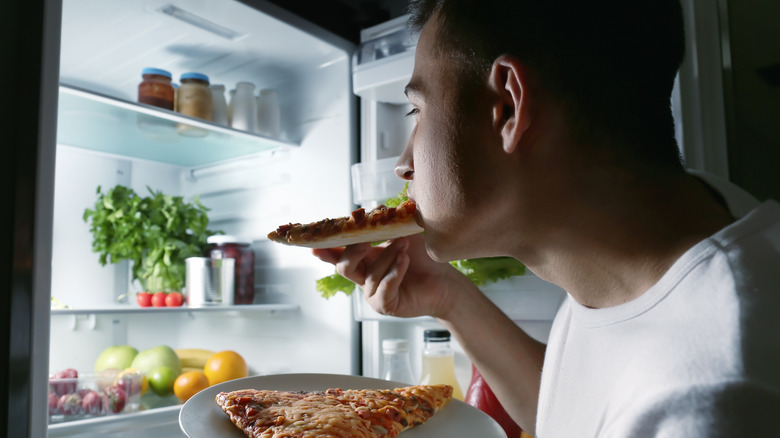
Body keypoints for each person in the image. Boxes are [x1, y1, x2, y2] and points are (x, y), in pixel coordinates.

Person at [314, 0, 780, 436]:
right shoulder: (689, 222)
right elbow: (580, 413)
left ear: (509, 106)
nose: (403, 163)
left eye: (417, 110)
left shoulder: (707, 404)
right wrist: (447, 297)